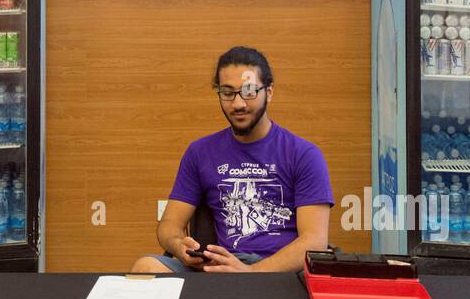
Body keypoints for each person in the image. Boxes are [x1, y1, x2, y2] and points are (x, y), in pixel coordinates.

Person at [131, 46, 333, 273]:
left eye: (249, 92)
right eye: (228, 93)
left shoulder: (304, 154)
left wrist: (250, 273)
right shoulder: (199, 152)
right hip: (221, 267)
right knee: (145, 267)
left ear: (269, 92)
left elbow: (314, 241)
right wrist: (179, 245)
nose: (238, 104)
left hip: (281, 272)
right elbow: (169, 226)